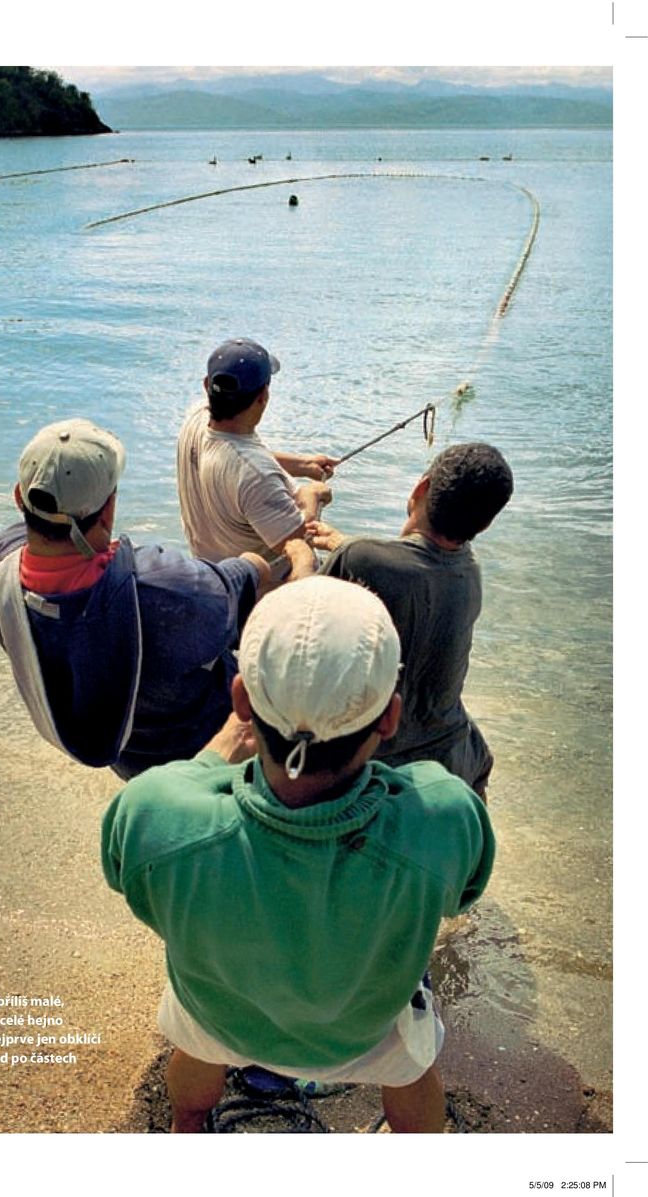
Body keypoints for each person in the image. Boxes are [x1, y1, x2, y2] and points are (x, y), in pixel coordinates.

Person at [102, 576, 494, 1132]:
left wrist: (212, 762)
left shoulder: (155, 811)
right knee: (413, 1068)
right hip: (364, 1030)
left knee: (194, 1047)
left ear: (240, 699)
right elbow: (465, 892)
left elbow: (133, 886)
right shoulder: (441, 813)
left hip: (222, 1018)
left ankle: (188, 1125)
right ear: (390, 716)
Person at [0, 418, 314, 779]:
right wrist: (281, 564)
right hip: (208, 755)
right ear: (108, 510)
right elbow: (232, 589)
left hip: (127, 756)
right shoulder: (161, 589)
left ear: (19, 496)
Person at [315, 442, 514, 797]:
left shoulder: (360, 560)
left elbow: (297, 620)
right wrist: (346, 544)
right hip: (456, 757)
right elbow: (415, 571)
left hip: (381, 768)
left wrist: (303, 555)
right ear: (483, 525)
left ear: (420, 489)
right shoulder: (469, 570)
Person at [176, 338, 336, 567]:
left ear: (206, 385)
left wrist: (303, 464)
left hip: (211, 574)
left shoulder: (196, 417)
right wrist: (313, 495)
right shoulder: (256, 476)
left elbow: (237, 457)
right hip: (262, 592)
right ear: (263, 396)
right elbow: (297, 543)